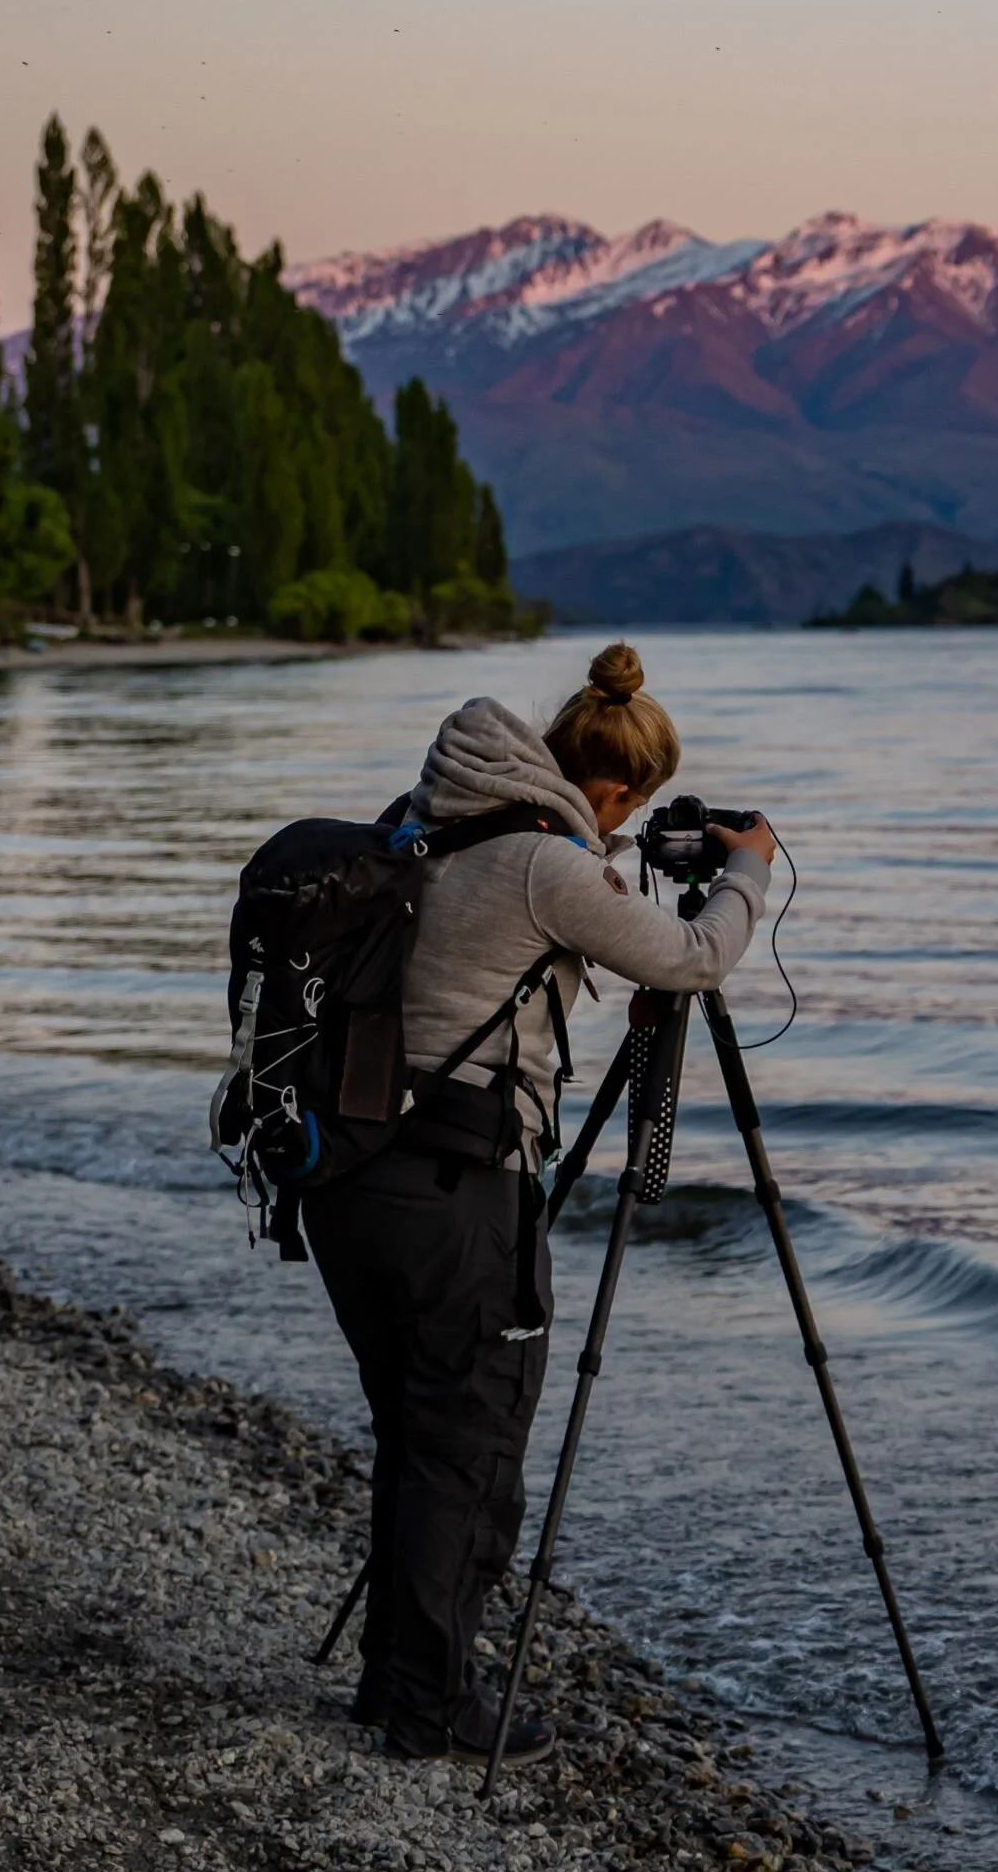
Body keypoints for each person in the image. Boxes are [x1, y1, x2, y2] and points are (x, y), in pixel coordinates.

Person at [305, 642, 775, 1767]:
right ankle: (431, 1706)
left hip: (349, 1178)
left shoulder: (424, 817)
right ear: (613, 791)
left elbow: (506, 919)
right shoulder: (547, 868)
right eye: (634, 810)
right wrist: (748, 868)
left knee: (419, 1431)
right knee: (469, 1445)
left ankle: (398, 1680)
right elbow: (696, 958)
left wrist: (596, 856)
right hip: (456, 1186)